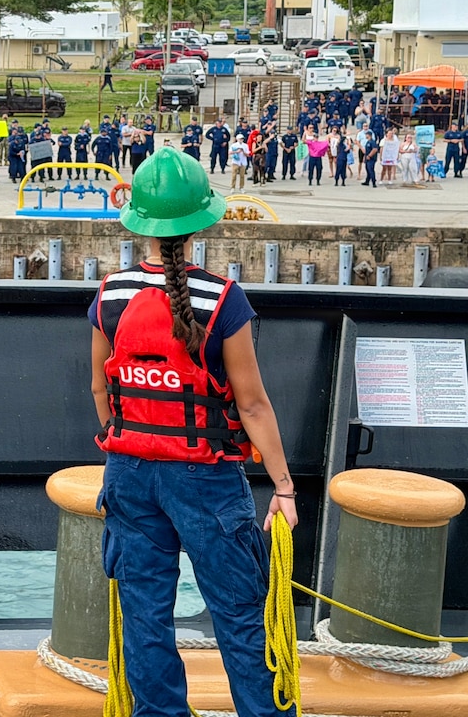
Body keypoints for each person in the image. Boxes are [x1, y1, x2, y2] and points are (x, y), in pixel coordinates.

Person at [89, 147, 298, 717]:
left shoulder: (109, 294)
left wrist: (127, 442)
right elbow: (253, 406)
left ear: (142, 225)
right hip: (205, 477)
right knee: (240, 613)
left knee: (145, 615)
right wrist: (283, 489)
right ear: (203, 220)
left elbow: (100, 392)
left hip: (129, 474)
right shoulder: (223, 301)